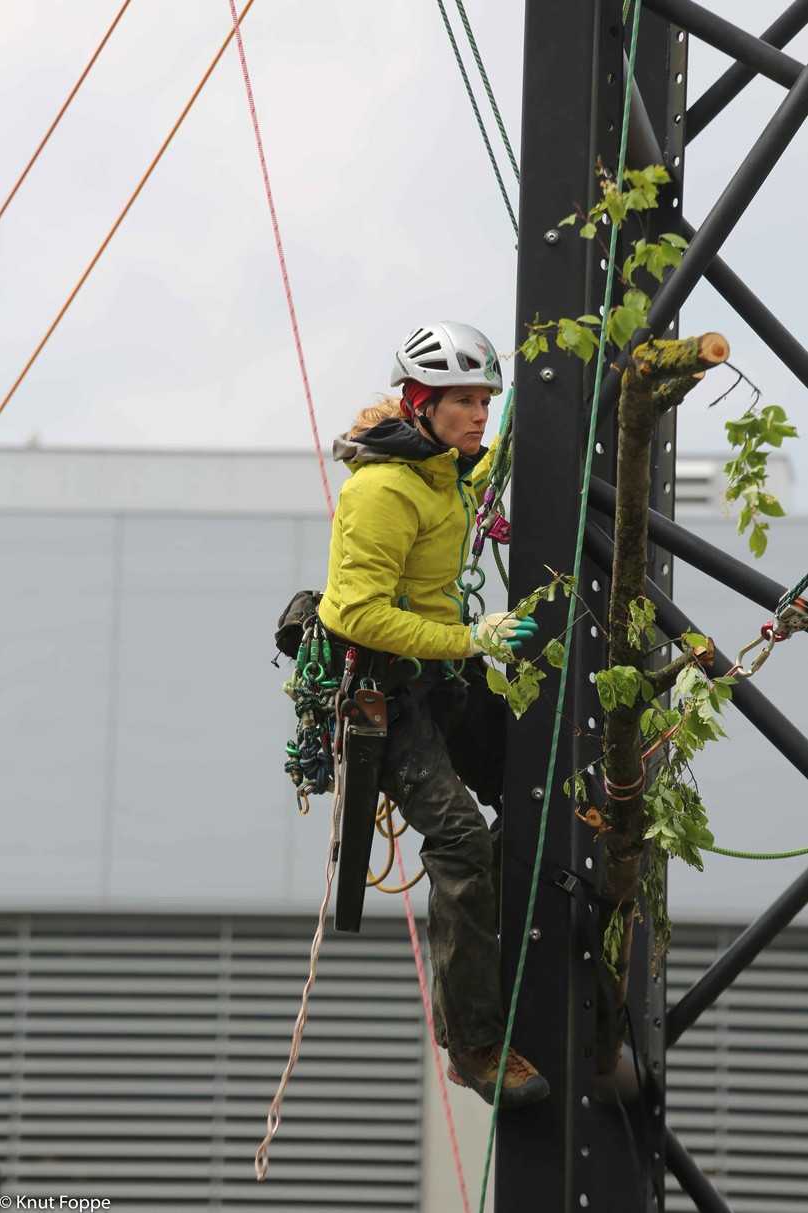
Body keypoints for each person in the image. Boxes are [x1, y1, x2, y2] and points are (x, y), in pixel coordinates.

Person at [318, 322, 549, 1109]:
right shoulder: (381, 489)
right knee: (456, 837)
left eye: (483, 400)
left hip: (445, 670)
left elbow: (495, 455)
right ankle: (474, 1042)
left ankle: (529, 975)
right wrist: (466, 635)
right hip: (389, 687)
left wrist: (536, 385)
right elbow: (353, 612)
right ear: (420, 405)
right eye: (461, 401)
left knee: (541, 783)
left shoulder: (448, 468)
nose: (477, 414)